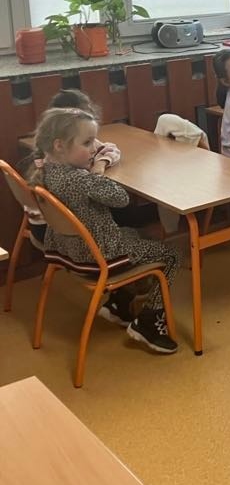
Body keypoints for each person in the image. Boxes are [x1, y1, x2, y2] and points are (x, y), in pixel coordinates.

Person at [32, 107, 179, 353]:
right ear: (59, 146)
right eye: (87, 143)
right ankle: (149, 322)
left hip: (69, 251)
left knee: (136, 234)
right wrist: (97, 170)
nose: (93, 149)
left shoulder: (45, 171)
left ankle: (120, 304)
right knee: (172, 254)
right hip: (98, 257)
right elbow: (121, 198)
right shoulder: (79, 179)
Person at [22, 89, 121, 245]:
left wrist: (100, 163)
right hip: (67, 238)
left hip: (42, 230)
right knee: (119, 212)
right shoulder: (70, 173)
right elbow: (120, 198)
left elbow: (110, 149)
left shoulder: (48, 150)